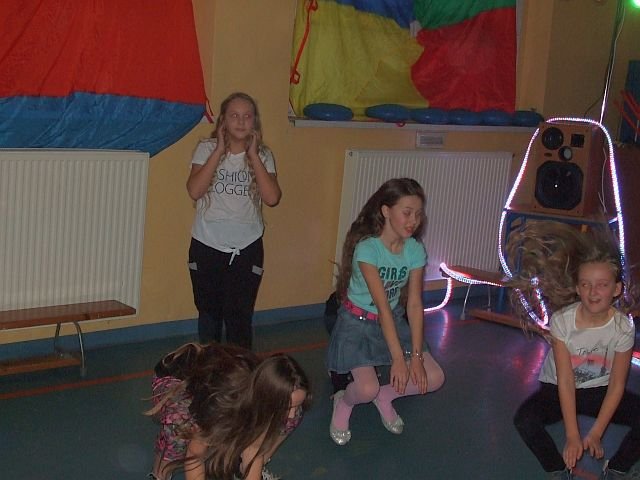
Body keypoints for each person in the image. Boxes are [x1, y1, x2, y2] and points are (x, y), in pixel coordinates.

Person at [507, 221, 640, 480]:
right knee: (525, 420)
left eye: (602, 285)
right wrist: (572, 436)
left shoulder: (623, 328)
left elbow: (616, 385)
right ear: (578, 288)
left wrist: (595, 433)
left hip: (601, 389)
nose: (593, 292)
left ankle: (617, 469)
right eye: (586, 284)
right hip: (557, 388)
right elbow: (566, 381)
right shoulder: (563, 322)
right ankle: (557, 469)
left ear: (616, 289)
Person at [326, 177, 445, 445]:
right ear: (386, 211)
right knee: (366, 389)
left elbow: (414, 305)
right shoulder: (368, 250)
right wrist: (399, 359)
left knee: (434, 377)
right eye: (407, 213)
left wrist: (416, 356)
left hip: (393, 320)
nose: (413, 221)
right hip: (358, 322)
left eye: (418, 214)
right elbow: (381, 308)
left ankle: (385, 396)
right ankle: (343, 402)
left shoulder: (414, 250)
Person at [186, 92, 282, 348]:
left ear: (254, 122)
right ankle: (210, 369)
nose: (240, 121)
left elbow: (272, 197)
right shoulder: (206, 149)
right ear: (223, 121)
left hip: (246, 248)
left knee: (239, 320)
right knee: (209, 317)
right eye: (234, 116)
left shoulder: (263, 155)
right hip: (207, 245)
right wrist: (219, 150)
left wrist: (253, 156)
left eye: (247, 116)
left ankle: (239, 371)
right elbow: (194, 190)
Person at [147, 342, 311, 480]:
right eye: (287, 407)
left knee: (289, 420)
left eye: (296, 405)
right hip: (177, 377)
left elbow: (254, 450)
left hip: (218, 385)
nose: (291, 414)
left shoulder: (265, 396)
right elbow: (195, 455)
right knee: (180, 424)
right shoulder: (225, 403)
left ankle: (243, 470)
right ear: (267, 397)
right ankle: (160, 474)